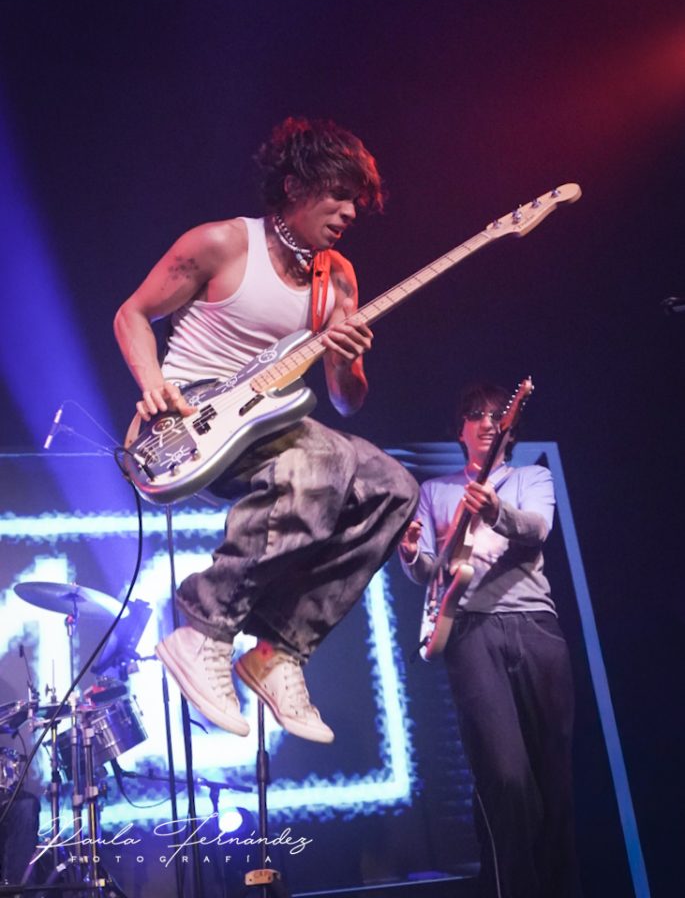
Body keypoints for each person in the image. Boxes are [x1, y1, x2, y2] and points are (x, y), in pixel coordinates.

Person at [114, 116, 418, 744]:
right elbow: (132, 314)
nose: (349, 212)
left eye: (356, 201)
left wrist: (347, 359)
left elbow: (346, 402)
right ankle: (204, 627)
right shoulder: (223, 244)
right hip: (188, 429)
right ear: (294, 185)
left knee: (394, 488)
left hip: (267, 426)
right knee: (319, 463)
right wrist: (152, 383)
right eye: (338, 194)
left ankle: (278, 651)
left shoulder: (337, 279)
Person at [399, 382, 579, 898]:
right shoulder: (435, 491)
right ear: (460, 428)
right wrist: (410, 554)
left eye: (495, 415)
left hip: (536, 627)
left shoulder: (530, 478)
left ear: (510, 427)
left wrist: (496, 509)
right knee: (504, 777)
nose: (485, 422)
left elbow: (537, 529)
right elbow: (433, 572)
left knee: (554, 779)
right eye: (474, 414)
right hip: (471, 631)